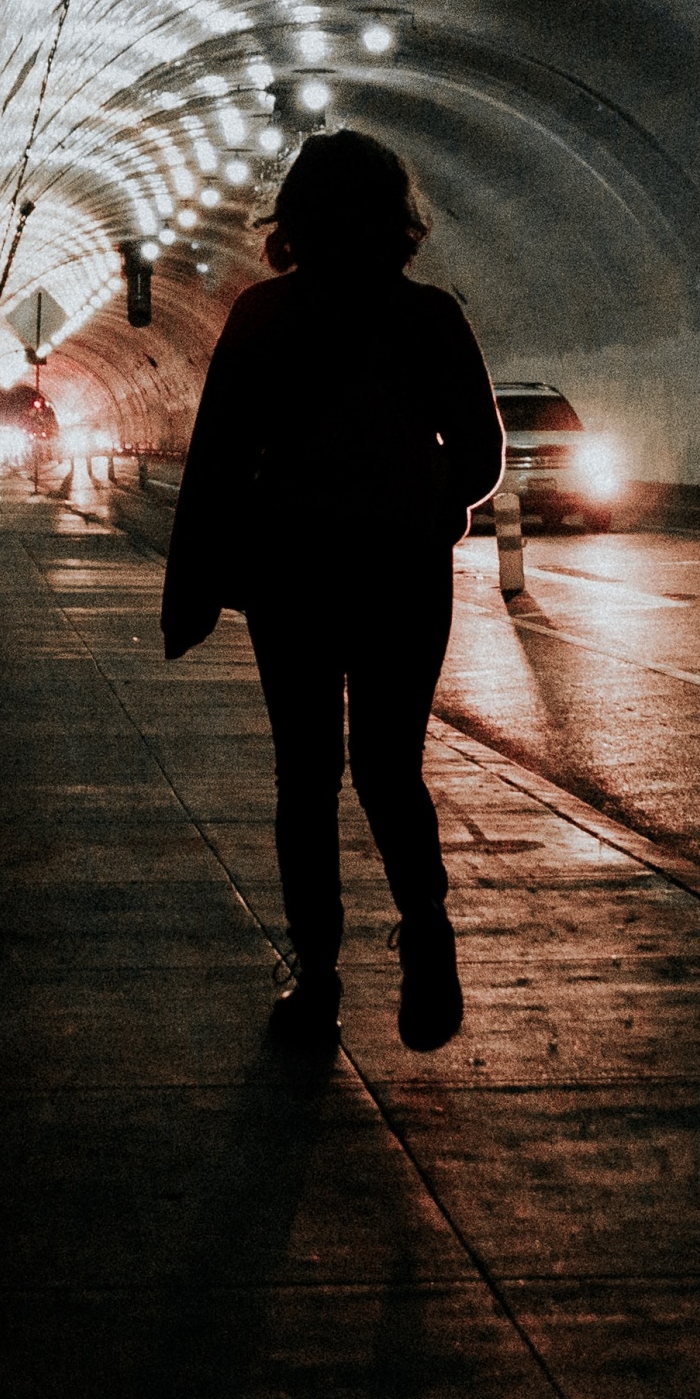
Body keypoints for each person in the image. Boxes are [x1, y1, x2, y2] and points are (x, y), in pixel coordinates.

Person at [161, 129, 503, 1054]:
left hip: (296, 577)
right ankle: (427, 935)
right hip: (402, 579)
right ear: (399, 217)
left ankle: (318, 984)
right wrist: (427, 514)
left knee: (305, 779)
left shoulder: (263, 316)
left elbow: (220, 460)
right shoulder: (431, 317)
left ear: (295, 219)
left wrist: (200, 577)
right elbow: (481, 460)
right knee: (391, 767)